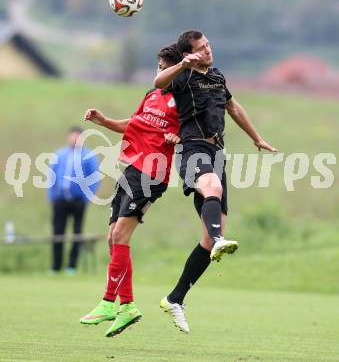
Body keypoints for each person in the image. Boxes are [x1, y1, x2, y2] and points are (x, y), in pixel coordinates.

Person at [154, 30, 277, 333]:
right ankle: (219, 240)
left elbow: (233, 108)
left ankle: (175, 298)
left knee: (209, 240)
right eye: (201, 48)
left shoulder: (218, 76)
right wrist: (183, 65)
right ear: (189, 53)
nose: (208, 50)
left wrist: (257, 138)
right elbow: (158, 83)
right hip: (192, 147)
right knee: (213, 189)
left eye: (208, 45)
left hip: (215, 151)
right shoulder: (182, 77)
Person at [79, 44, 182, 337]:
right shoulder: (152, 95)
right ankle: (127, 306)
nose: (159, 72)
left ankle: (109, 302)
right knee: (112, 237)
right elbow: (133, 124)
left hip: (152, 173)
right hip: (132, 169)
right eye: (158, 67)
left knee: (121, 235)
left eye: (165, 68)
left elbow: (195, 129)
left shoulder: (183, 100)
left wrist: (180, 136)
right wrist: (104, 121)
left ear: (177, 70)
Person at [48, 126, 100, 274]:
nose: (75, 139)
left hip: (78, 200)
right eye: (72, 136)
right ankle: (55, 266)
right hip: (60, 200)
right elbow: (51, 177)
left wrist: (86, 197)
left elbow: (94, 178)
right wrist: (52, 197)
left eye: (78, 136)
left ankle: (72, 266)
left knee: (77, 232)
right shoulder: (60, 154)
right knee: (58, 232)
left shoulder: (88, 156)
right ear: (68, 137)